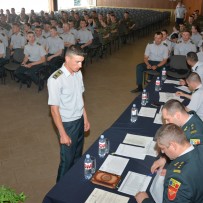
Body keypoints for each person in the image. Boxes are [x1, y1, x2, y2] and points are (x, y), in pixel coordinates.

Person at [47, 45, 90, 182]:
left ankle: (73, 182)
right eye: (77, 61)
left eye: (82, 62)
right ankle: (59, 191)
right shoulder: (55, 79)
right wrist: (63, 134)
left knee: (78, 155)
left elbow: (80, 97)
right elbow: (54, 109)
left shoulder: (78, 73)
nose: (80, 65)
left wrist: (85, 118)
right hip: (67, 124)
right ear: (67, 58)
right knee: (67, 161)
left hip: (78, 120)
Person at [135, 123, 203, 203]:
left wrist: (144, 201)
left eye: (163, 148)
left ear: (173, 145)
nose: (163, 152)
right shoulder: (200, 146)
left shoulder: (177, 177)